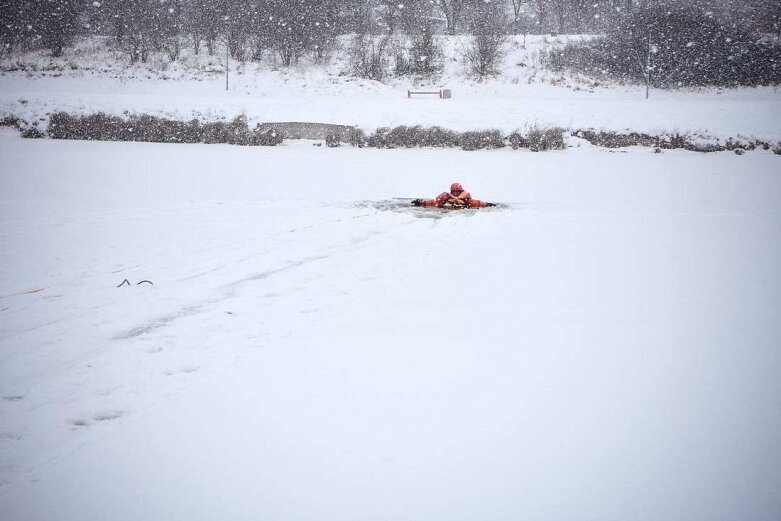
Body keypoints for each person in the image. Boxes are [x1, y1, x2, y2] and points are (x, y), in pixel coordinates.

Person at [412, 183, 495, 208]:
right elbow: (433, 202)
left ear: (460, 191)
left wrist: (487, 204)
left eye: (457, 191)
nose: (455, 193)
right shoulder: (446, 197)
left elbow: (476, 203)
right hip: (446, 215)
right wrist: (420, 202)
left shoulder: (466, 199)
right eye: (454, 191)